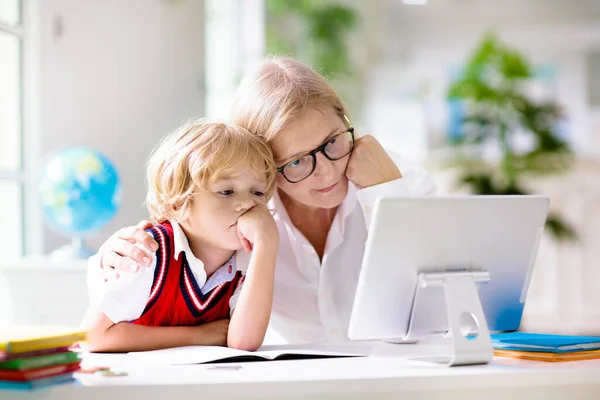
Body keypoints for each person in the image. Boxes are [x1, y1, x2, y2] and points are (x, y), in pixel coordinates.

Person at [87, 56, 436, 345]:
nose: (327, 173)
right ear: (263, 165)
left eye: (332, 143)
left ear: (346, 122)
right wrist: (114, 253)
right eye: (296, 162)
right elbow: (173, 255)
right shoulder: (241, 213)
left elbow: (438, 305)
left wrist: (384, 192)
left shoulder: (399, 180)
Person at [81, 120, 279, 352]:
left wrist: (267, 242)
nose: (247, 203)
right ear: (178, 204)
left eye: (257, 192)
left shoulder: (245, 262)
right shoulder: (150, 252)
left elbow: (243, 342)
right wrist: (198, 336)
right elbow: (92, 337)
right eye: (226, 191)